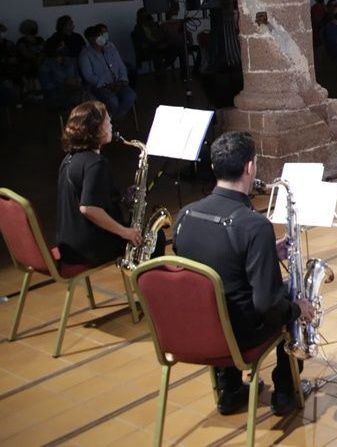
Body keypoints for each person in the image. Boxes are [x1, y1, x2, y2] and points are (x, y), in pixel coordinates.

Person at [172, 131, 314, 416]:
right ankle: (286, 390)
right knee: (289, 294)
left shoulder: (184, 216)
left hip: (194, 329)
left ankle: (230, 389)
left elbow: (210, 264)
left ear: (214, 168)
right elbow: (268, 306)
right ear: (250, 167)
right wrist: (297, 308)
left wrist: (263, 252)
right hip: (238, 336)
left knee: (224, 294)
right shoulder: (254, 226)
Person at [55, 101, 142, 266]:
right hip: (90, 249)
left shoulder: (69, 159)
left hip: (69, 245)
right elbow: (88, 208)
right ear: (95, 129)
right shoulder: (95, 163)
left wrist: (122, 199)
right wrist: (126, 233)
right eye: (107, 122)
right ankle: (148, 288)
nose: (111, 125)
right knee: (153, 239)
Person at [79, 24, 137, 119]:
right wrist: (106, 84)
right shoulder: (85, 54)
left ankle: (115, 120)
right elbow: (88, 76)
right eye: (98, 36)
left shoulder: (110, 49)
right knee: (112, 101)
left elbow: (121, 65)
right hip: (99, 87)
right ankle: (109, 121)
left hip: (118, 83)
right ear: (91, 39)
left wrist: (123, 80)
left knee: (130, 95)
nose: (101, 38)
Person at [39, 41, 85, 110]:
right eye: (61, 46)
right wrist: (65, 82)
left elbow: (77, 76)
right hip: (56, 94)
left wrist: (77, 80)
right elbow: (47, 86)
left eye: (64, 46)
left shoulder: (71, 61)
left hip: (74, 89)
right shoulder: (46, 65)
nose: (64, 48)